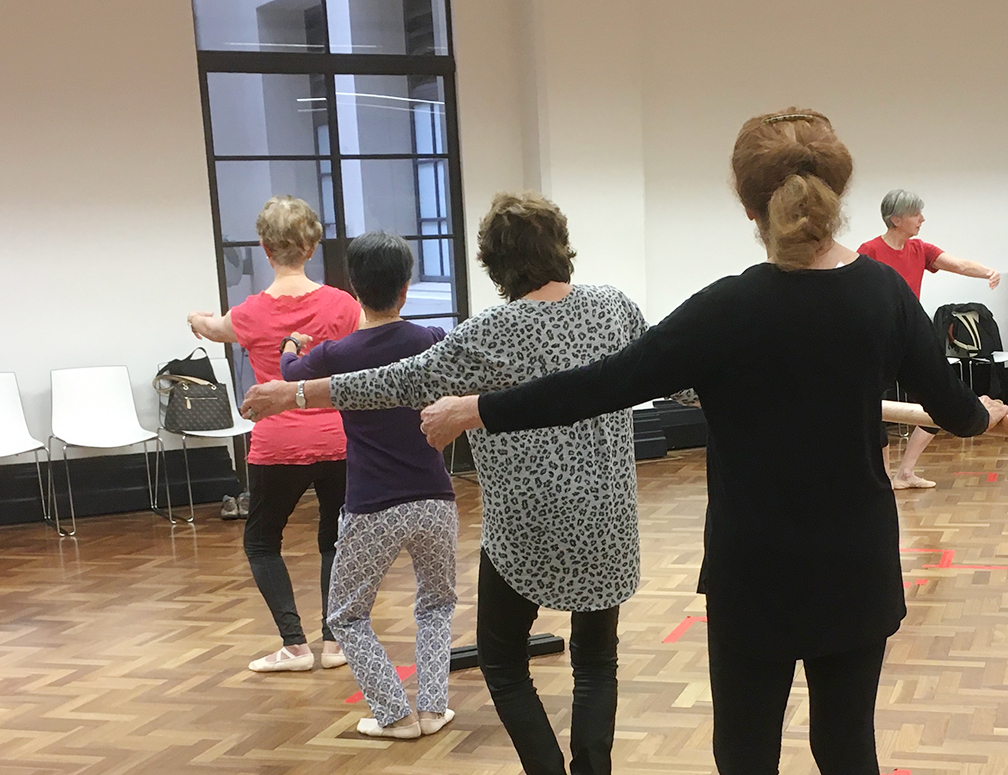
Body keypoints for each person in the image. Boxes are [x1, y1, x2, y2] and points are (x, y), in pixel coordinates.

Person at [415, 109, 1008, 775]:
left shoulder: (726, 309)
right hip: (854, 563)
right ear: (836, 195)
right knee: (846, 750)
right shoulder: (884, 294)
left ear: (749, 207)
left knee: (745, 755)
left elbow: (600, 386)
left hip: (755, 570)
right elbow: (953, 410)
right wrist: (985, 413)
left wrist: (476, 408)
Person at [241, 192, 661, 774]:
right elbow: (671, 371)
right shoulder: (613, 307)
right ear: (562, 246)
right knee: (596, 663)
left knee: (503, 662)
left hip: (523, 532)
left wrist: (296, 392)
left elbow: (395, 381)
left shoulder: (490, 331)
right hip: (606, 523)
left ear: (493, 263)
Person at [277, 232, 457, 739]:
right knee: (437, 604)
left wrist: (291, 344)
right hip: (436, 498)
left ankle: (394, 715)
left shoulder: (338, 353)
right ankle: (433, 710)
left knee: (347, 615)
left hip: (373, 504)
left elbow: (290, 376)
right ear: (406, 288)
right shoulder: (431, 340)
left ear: (354, 288)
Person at [187, 195, 360, 673]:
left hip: (276, 444)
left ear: (265, 249)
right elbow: (373, 333)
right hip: (337, 439)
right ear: (311, 247)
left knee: (262, 542)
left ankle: (294, 645)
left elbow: (214, 328)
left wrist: (195, 320)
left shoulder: (249, 313)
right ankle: (336, 643)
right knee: (335, 540)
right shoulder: (342, 305)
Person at [853, 189, 1001, 489]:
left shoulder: (920, 248)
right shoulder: (869, 251)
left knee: (937, 400)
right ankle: (884, 476)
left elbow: (958, 264)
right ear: (896, 219)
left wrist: (988, 272)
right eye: (915, 214)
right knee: (874, 408)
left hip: (910, 338)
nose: (922, 219)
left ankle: (905, 472)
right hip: (877, 340)